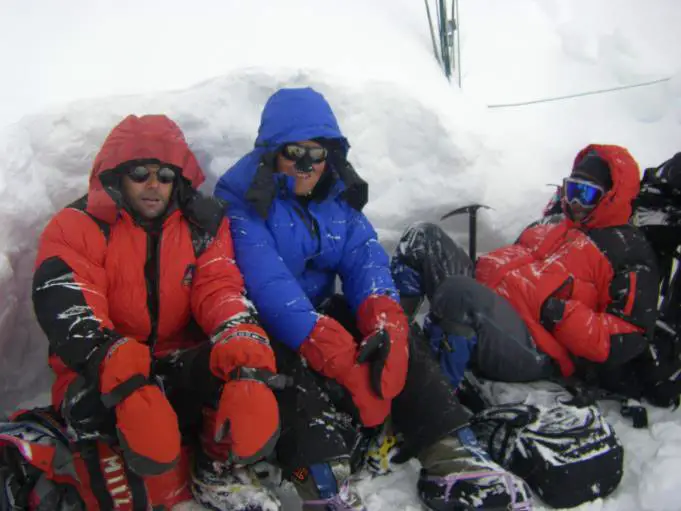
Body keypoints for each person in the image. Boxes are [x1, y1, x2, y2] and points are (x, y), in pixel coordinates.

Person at [214, 87, 531, 510]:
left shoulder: (336, 198)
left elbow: (366, 261)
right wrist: (335, 352)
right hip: (268, 322)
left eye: (318, 153)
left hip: (321, 313)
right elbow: (268, 285)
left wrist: (387, 321)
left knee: (398, 343)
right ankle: (322, 479)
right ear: (271, 152)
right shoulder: (242, 202)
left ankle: (449, 448)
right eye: (295, 152)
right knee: (285, 370)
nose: (308, 165)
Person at [31, 115, 282, 511]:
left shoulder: (203, 224)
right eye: (140, 173)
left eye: (165, 175)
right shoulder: (77, 226)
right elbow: (71, 310)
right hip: (98, 369)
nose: (153, 185)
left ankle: (217, 471)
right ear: (117, 176)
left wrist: (246, 356)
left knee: (238, 370)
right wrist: (127, 380)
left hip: (172, 359)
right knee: (116, 462)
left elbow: (220, 290)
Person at [391, 144, 660, 401]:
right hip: (492, 305)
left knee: (459, 294)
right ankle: (393, 343)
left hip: (535, 347)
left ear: (609, 197)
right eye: (571, 189)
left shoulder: (626, 250)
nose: (575, 201)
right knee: (423, 237)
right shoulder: (553, 223)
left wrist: (561, 315)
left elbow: (629, 334)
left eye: (587, 193)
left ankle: (432, 402)